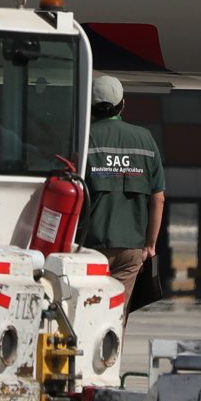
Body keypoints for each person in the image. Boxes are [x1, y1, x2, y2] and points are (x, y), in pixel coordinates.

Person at [79, 74, 166, 298]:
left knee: (86, 312)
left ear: (90, 105)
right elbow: (158, 198)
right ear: (122, 104)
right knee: (117, 314)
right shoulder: (145, 140)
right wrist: (150, 245)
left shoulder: (82, 139)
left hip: (88, 248)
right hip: (131, 249)